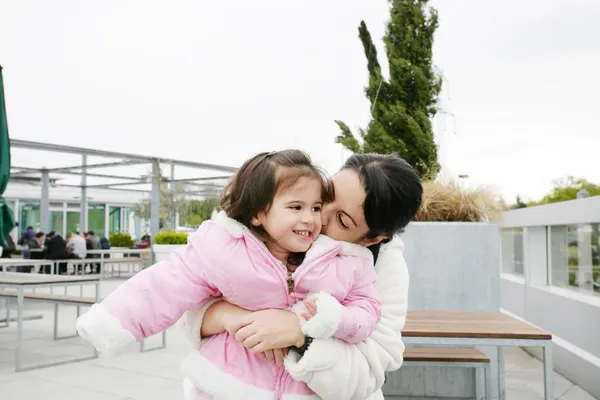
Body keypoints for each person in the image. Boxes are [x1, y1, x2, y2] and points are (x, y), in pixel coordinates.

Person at [76, 150, 385, 399]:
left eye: (316, 207)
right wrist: (113, 321)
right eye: (296, 207)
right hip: (228, 385)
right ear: (258, 213)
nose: (312, 219)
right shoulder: (223, 249)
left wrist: (329, 319)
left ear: (374, 237)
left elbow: (367, 310)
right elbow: (166, 284)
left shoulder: (342, 261)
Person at [181, 153, 422, 400]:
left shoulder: (383, 265)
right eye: (325, 197)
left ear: (372, 238)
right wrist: (232, 316)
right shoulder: (275, 223)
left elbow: (369, 374)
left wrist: (300, 336)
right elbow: (190, 310)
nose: (315, 217)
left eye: (341, 219)